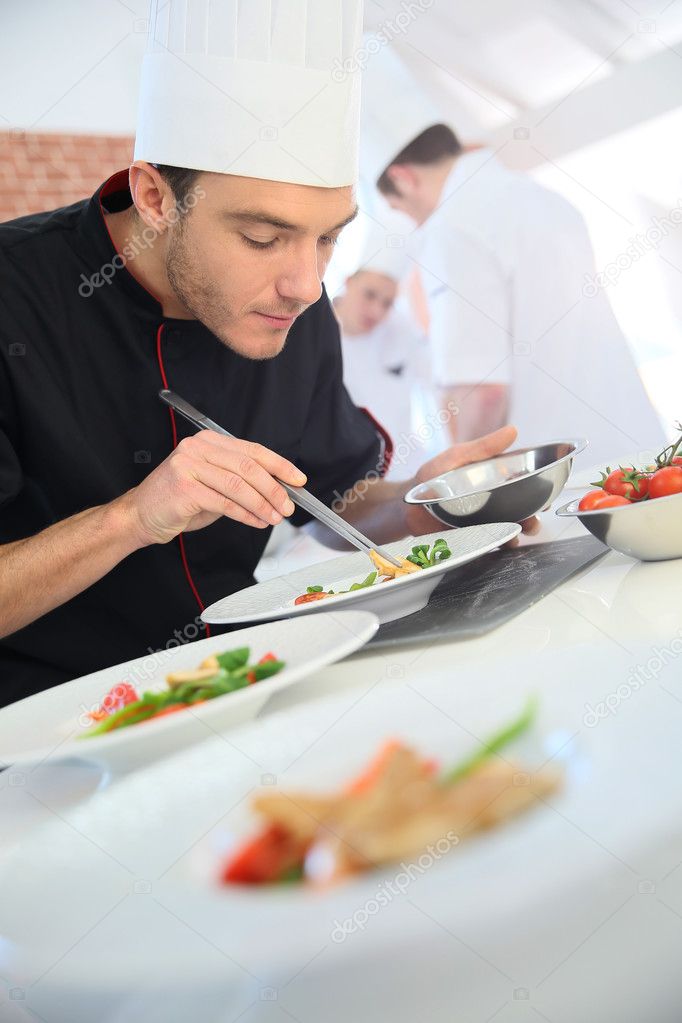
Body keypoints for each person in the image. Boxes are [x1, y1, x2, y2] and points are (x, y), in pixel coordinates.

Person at [0, 1, 535, 706]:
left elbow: (331, 498)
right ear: (156, 198)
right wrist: (130, 518)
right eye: (261, 238)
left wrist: (423, 504)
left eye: (328, 238)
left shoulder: (293, 300)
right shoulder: (17, 295)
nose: (305, 283)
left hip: (257, 683)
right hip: (51, 738)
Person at [361, 48, 666, 465]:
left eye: (401, 211)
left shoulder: (452, 225)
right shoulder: (542, 198)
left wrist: (462, 488)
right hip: (643, 456)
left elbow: (481, 392)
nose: (413, 223)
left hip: (565, 483)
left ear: (403, 178)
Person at [333, 247, 431, 480]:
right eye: (370, 295)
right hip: (341, 477)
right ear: (348, 282)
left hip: (405, 472)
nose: (376, 310)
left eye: (387, 303)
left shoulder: (401, 329)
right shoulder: (312, 331)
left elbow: (437, 384)